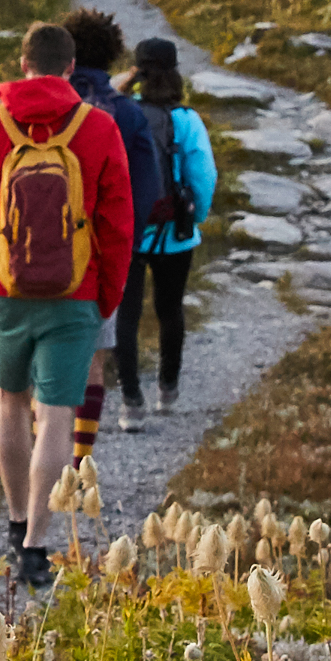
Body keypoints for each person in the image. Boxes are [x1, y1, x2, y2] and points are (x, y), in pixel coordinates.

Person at [0, 18, 130, 594]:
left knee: (10, 402)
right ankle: (35, 549)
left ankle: (16, 518)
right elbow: (117, 222)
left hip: (5, 289)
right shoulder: (98, 126)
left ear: (23, 64)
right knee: (56, 415)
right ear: (71, 68)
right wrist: (107, 294)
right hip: (77, 291)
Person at [59, 10, 174, 454]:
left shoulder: (30, 109)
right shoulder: (125, 114)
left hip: (27, 255)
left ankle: (41, 448)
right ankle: (80, 460)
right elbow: (146, 193)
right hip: (98, 255)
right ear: (112, 55)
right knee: (92, 357)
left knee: (35, 371)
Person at [115, 33, 215, 411]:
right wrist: (194, 218)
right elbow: (203, 177)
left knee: (128, 313)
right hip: (174, 233)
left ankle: (130, 401)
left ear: (137, 72)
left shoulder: (123, 114)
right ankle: (167, 389)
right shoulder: (186, 120)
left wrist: (123, 84)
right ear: (175, 72)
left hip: (129, 232)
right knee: (170, 308)